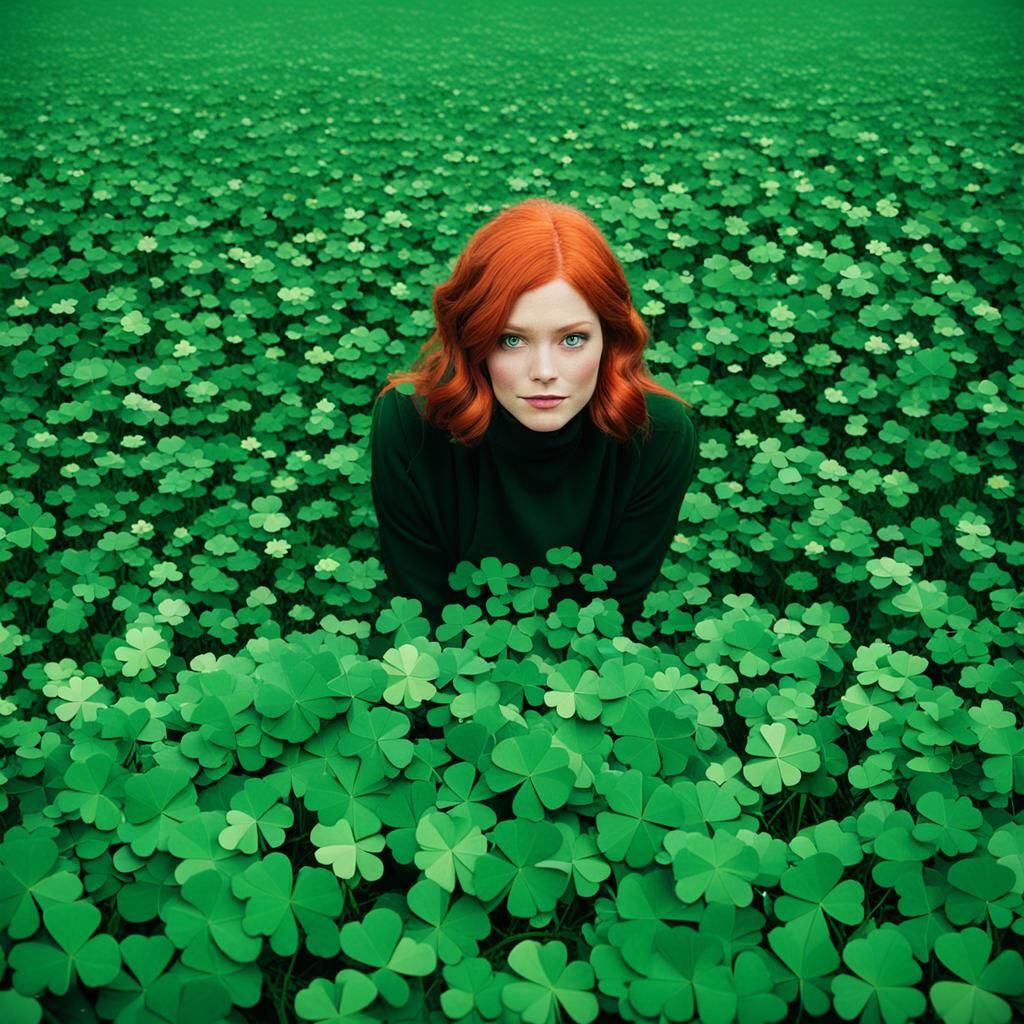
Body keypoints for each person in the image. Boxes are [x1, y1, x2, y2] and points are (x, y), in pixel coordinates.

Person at [369, 197, 699, 637]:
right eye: (510, 340)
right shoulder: (409, 422)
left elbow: (613, 617)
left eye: (573, 339)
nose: (544, 372)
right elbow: (423, 616)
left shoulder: (659, 433)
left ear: (612, 337)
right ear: (473, 338)